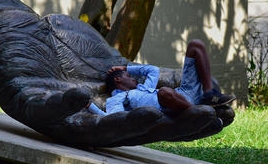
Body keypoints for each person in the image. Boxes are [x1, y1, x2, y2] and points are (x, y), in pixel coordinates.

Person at [88, 39, 236, 116]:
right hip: (172, 107)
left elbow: (152, 70)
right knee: (164, 91)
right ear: (118, 80)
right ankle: (197, 113)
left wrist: (126, 68)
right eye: (128, 76)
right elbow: (111, 119)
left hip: (185, 92)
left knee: (195, 45)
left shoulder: (145, 87)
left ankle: (209, 95)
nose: (134, 78)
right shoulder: (116, 99)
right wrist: (89, 106)